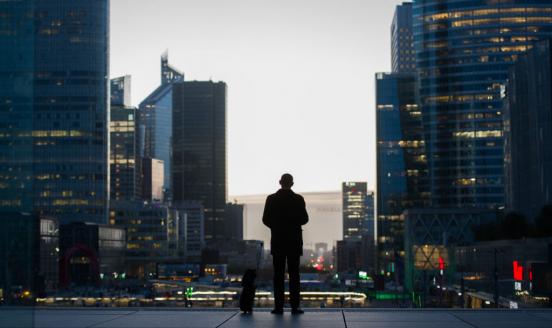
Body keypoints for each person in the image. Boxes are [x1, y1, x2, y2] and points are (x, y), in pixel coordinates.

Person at [262, 173, 309, 315]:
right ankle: (295, 306)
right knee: (294, 275)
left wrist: (276, 227)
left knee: (278, 275)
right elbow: (305, 219)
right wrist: (293, 224)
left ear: (280, 182)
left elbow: (265, 219)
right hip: (294, 241)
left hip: (278, 240)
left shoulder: (271, 199)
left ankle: (279, 307)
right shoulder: (298, 199)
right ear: (292, 184)